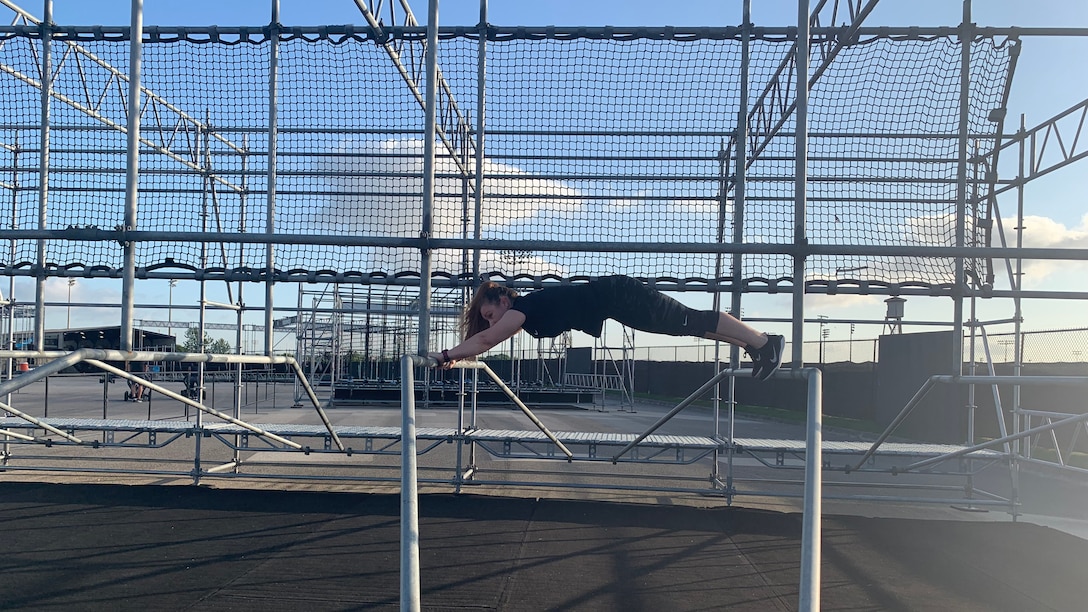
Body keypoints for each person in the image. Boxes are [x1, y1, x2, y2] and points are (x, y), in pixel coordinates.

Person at [428, 275, 786, 381]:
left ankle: (764, 340)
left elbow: (488, 340)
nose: (492, 322)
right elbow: (486, 337)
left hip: (621, 296)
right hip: (618, 302)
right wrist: (456, 356)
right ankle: (756, 347)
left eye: (489, 313)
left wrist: (448, 354)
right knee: (684, 328)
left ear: (502, 300)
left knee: (689, 320)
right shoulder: (522, 311)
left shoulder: (520, 310)